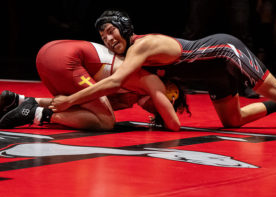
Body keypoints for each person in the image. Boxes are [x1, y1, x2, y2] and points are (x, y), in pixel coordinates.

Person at [44, 10, 276, 132]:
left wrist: (71, 101)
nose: (108, 40)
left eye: (111, 31)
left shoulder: (141, 47)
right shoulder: (132, 55)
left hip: (223, 52)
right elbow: (125, 91)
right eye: (102, 37)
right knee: (232, 121)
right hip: (210, 75)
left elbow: (114, 83)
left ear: (125, 28)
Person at [0, 40, 182, 131]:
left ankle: (18, 101)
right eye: (162, 105)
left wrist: (71, 101)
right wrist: (70, 100)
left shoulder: (131, 92)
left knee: (91, 107)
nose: (155, 109)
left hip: (49, 52)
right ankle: (36, 114)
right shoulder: (149, 80)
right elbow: (174, 125)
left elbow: (89, 101)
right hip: (66, 59)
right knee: (106, 122)